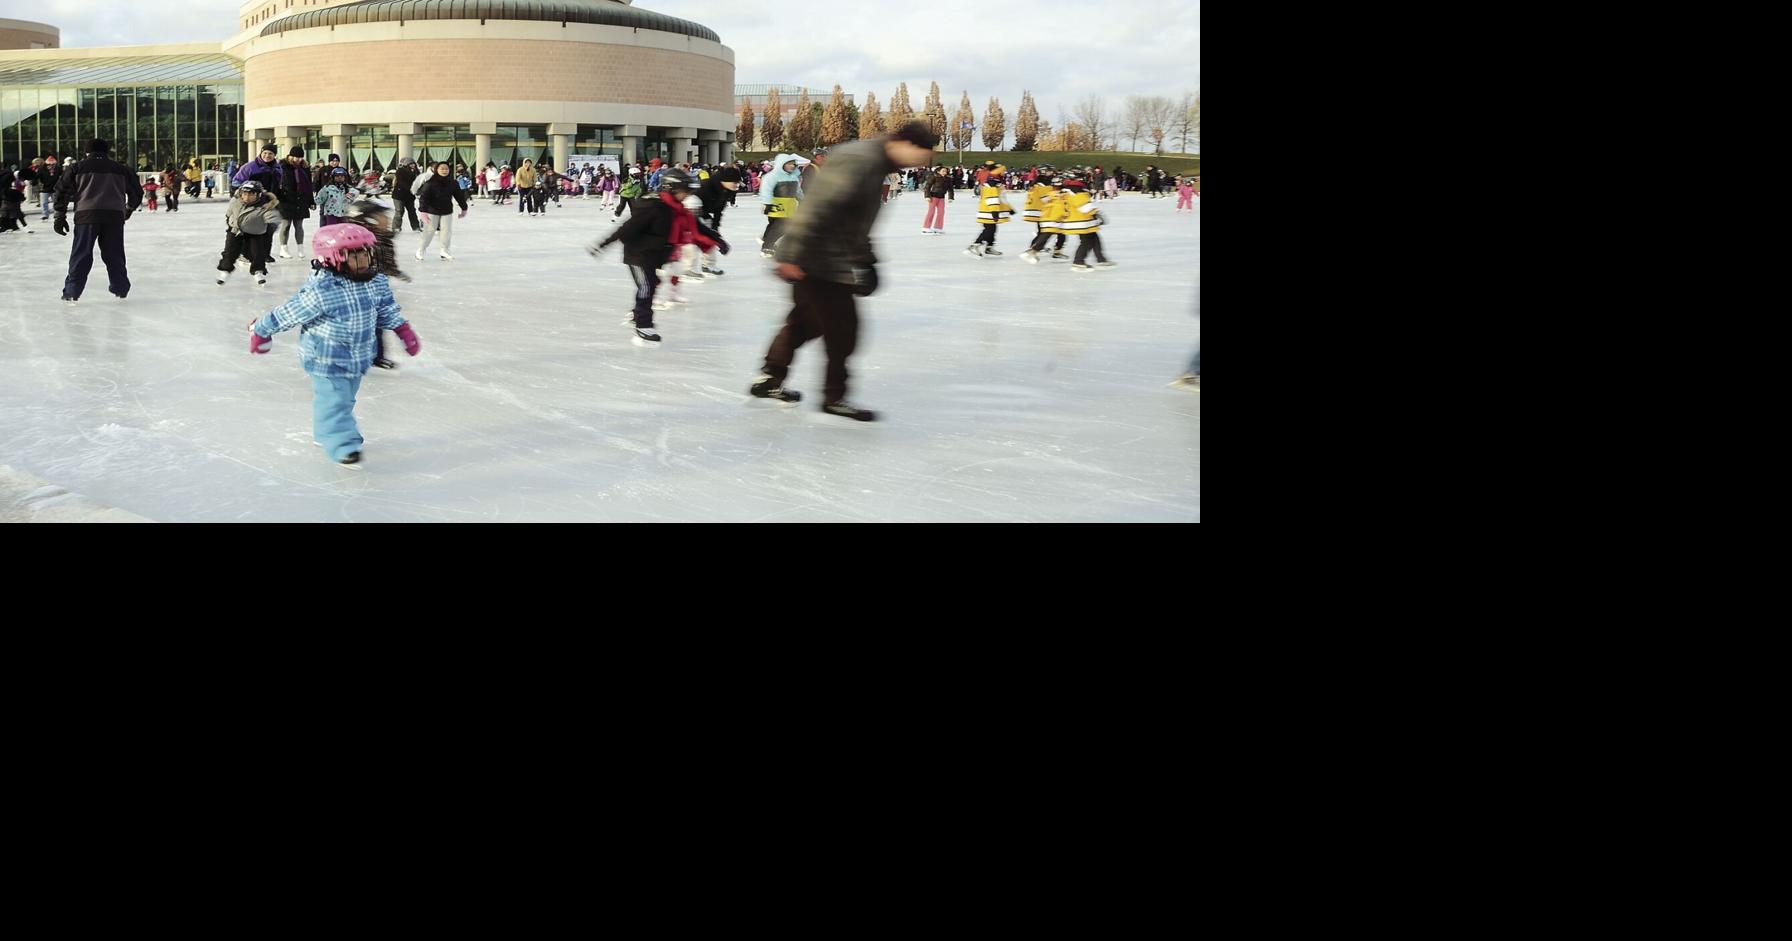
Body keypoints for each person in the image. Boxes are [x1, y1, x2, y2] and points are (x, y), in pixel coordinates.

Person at [751, 121, 940, 421]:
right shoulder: (861, 159)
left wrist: (867, 260)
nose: (921, 162)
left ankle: (770, 377)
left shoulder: (876, 162)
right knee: (842, 331)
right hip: (819, 260)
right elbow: (820, 206)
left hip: (827, 257)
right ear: (905, 143)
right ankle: (834, 397)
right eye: (921, 154)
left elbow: (856, 223)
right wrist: (791, 254)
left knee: (805, 322)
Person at [247, 224, 421, 466]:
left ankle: (324, 432)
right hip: (326, 359)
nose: (363, 260)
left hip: (358, 356)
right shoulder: (322, 291)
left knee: (344, 399)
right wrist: (261, 330)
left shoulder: (375, 281)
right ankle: (341, 443)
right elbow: (288, 313)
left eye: (365, 253)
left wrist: (403, 329)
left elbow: (386, 309)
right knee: (335, 401)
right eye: (354, 255)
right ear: (333, 259)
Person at [53, 138, 142, 303]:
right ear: (107, 151)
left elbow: (61, 191)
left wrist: (60, 215)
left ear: (87, 152)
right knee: (114, 254)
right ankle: (120, 288)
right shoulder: (122, 169)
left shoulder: (77, 167)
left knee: (81, 254)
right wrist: (128, 209)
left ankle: (72, 291)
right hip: (114, 216)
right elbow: (137, 192)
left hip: (86, 216)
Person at [216, 180, 281, 286]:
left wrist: (271, 226)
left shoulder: (264, 207)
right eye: (244, 194)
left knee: (257, 253)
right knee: (229, 252)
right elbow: (229, 214)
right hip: (235, 232)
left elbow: (274, 219)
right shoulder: (235, 202)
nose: (247, 197)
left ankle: (258, 271)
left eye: (251, 194)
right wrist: (230, 223)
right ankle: (225, 271)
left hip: (255, 233)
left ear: (258, 195)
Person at [412, 161, 468, 261]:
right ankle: (420, 250)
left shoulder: (452, 183)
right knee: (429, 231)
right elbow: (424, 198)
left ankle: (444, 251)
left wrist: (464, 208)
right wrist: (423, 211)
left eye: (446, 169)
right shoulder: (430, 182)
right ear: (437, 170)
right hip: (432, 210)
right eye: (442, 169)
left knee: (446, 231)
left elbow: (459, 196)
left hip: (447, 210)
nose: (444, 171)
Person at [758, 153, 807, 257]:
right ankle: (767, 246)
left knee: (777, 227)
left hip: (790, 206)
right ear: (781, 164)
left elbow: (798, 191)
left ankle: (766, 241)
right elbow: (766, 190)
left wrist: (803, 200)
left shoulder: (794, 177)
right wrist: (767, 203)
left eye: (793, 164)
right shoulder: (772, 176)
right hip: (776, 205)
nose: (792, 166)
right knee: (779, 227)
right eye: (789, 164)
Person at [275, 146, 315, 258]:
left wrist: (311, 201)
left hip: (300, 200)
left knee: (299, 225)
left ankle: (300, 248)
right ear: (290, 156)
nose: (298, 159)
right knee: (286, 224)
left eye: (300, 157)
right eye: (296, 157)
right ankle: (283, 248)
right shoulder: (282, 166)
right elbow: (278, 183)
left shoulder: (305, 167)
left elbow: (308, 186)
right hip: (286, 200)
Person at [965, 164, 1012, 257]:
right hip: (988, 211)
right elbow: (992, 198)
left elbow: (1001, 198)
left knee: (992, 229)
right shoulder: (992, 182)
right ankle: (975, 245)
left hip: (990, 210)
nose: (1004, 172)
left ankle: (989, 247)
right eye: (1002, 170)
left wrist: (1009, 209)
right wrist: (994, 213)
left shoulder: (996, 182)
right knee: (989, 229)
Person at [391, 156, 423, 231]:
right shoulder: (400, 171)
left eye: (413, 164)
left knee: (412, 211)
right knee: (399, 211)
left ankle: (416, 227)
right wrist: (412, 189)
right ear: (406, 164)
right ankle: (396, 227)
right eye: (411, 164)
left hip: (410, 196)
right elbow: (402, 182)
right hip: (399, 195)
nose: (413, 165)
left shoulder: (416, 172)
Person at [921, 166, 954, 234]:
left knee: (941, 213)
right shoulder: (934, 177)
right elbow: (927, 187)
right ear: (938, 171)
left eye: (945, 171)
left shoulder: (948, 179)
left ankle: (938, 227)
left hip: (941, 197)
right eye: (943, 171)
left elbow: (950, 189)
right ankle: (926, 227)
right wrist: (927, 196)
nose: (945, 172)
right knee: (931, 212)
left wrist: (951, 197)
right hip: (933, 197)